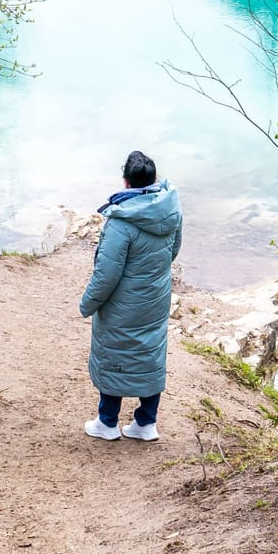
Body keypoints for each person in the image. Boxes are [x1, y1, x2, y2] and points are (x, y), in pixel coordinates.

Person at [78, 150, 182, 442]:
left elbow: (106, 275)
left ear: (125, 182)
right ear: (154, 179)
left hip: (123, 304)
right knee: (149, 353)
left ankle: (107, 423)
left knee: (116, 355)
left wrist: (87, 304)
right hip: (156, 298)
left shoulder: (121, 223)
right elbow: (173, 251)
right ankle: (146, 423)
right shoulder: (171, 210)